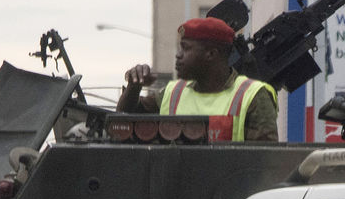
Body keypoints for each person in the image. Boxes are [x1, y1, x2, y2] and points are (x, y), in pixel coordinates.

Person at [117, 17, 278, 142]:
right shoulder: (174, 93)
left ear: (211, 54)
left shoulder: (253, 96)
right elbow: (122, 121)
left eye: (186, 48)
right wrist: (134, 86)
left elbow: (263, 164)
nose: (178, 55)